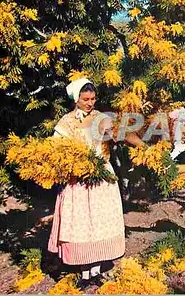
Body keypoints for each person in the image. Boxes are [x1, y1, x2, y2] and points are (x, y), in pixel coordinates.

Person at [47, 78, 143, 285]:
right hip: (78, 178)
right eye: (85, 99)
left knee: (100, 221)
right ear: (76, 100)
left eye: (93, 99)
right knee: (82, 223)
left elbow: (121, 133)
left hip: (102, 176)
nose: (90, 103)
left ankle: (97, 270)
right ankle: (84, 272)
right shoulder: (66, 123)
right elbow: (55, 151)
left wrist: (144, 147)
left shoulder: (101, 118)